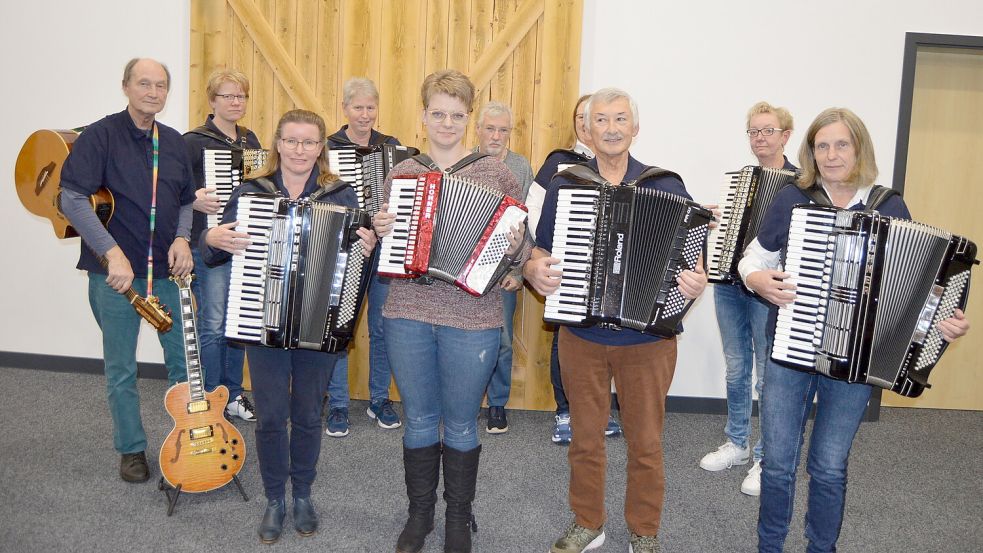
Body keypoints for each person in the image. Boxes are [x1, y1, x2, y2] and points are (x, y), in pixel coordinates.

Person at [739, 107, 970, 552]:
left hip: (857, 361)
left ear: (858, 147)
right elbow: (754, 256)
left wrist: (944, 322)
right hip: (790, 349)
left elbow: (919, 287)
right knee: (779, 464)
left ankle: (821, 547)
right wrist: (754, 278)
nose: (830, 154)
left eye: (840, 144)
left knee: (828, 466)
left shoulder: (889, 206)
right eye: (821, 146)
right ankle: (770, 547)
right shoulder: (793, 197)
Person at [525, 88, 708, 553]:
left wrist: (694, 282)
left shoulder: (665, 185)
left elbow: (693, 260)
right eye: (601, 120)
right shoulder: (569, 182)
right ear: (586, 128)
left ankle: (644, 532)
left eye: (620, 119)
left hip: (646, 341)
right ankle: (589, 522)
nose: (610, 128)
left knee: (645, 444)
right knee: (585, 440)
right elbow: (542, 248)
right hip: (581, 333)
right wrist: (536, 269)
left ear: (634, 127)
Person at [201, 109, 377, 544]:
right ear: (278, 144)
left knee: (307, 416)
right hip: (262, 322)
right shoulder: (250, 193)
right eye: (292, 141)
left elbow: (355, 267)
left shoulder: (342, 195)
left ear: (321, 148)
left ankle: (303, 493)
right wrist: (210, 239)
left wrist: (369, 246)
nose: (300, 150)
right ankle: (274, 498)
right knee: (271, 417)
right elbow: (214, 253)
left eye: (310, 142)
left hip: (319, 326)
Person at [373, 69, 527, 553]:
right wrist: (380, 229)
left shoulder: (495, 172)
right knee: (419, 418)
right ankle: (420, 516)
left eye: (456, 115)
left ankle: (458, 517)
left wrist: (517, 243)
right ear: (423, 117)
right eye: (438, 114)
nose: (446, 123)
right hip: (409, 309)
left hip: (473, 314)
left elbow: (520, 252)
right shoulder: (403, 173)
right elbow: (382, 250)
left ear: (469, 118)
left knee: (461, 422)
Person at [59, 58, 195, 484]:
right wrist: (111, 253)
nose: (152, 92)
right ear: (126, 87)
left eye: (160, 86)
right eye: (144, 84)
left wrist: (183, 238)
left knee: (185, 365)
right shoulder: (98, 136)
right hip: (114, 277)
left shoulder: (174, 142)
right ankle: (131, 449)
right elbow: (72, 199)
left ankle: (188, 440)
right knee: (122, 369)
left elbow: (187, 201)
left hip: (168, 274)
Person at [700, 101, 797, 496]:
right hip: (728, 281)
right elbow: (733, 228)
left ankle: (764, 454)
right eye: (754, 131)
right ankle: (737, 443)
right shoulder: (740, 179)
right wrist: (715, 224)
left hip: (767, 287)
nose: (760, 138)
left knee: (767, 373)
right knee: (736, 366)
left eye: (768, 130)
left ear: (786, 135)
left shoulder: (801, 184)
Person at [526, 93, 622, 445]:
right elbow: (532, 208)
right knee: (565, 339)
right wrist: (545, 251)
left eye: (593, 117)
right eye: (582, 117)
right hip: (567, 262)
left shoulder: (618, 164)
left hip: (607, 267)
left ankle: (597, 409)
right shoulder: (559, 162)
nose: (587, 123)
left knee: (603, 336)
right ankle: (565, 410)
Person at [324, 77, 402, 437]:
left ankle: (379, 399)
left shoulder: (392, 147)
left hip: (384, 249)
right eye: (358, 107)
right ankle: (338, 404)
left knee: (383, 329)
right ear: (345, 109)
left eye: (371, 107)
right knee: (340, 328)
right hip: (346, 247)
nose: (365, 114)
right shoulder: (328, 148)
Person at [183, 69, 261, 422]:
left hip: (243, 244)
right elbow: (171, 191)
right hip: (209, 244)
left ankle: (233, 393)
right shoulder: (193, 141)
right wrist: (193, 198)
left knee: (238, 322)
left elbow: (261, 187)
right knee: (213, 323)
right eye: (227, 96)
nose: (235, 102)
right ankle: (211, 395)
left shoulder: (251, 140)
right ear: (212, 100)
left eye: (240, 96)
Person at [473, 100, 534, 434]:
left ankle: (497, 405)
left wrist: (518, 272)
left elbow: (528, 224)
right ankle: (464, 402)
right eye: (490, 128)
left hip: (503, 272)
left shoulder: (521, 167)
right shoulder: (464, 161)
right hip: (460, 271)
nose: (496, 136)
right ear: (478, 129)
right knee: (460, 339)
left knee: (503, 341)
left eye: (503, 130)